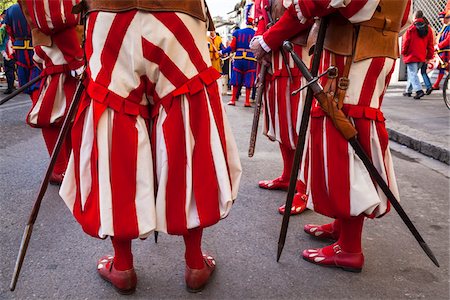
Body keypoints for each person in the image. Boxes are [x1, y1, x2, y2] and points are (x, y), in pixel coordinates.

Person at [34, 0, 241, 295]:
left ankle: (122, 265)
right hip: (178, 12)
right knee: (186, 127)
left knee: (113, 130)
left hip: (109, 14)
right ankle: (195, 263)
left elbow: (53, 11)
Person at [252, 0, 411, 272]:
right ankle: (342, 226)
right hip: (361, 45)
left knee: (345, 141)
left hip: (355, 49)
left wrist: (267, 41)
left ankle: (349, 248)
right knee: (341, 137)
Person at [253, 0, 311, 215]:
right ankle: (288, 176)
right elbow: (264, 19)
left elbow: (303, 13)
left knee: (299, 125)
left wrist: (267, 41)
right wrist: (260, 44)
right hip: (275, 58)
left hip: (298, 56)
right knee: (282, 122)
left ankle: (303, 188)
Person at [20, 0, 85, 185]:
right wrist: (75, 57)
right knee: (54, 112)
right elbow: (57, 18)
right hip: (62, 50)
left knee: (69, 112)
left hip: (59, 49)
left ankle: (68, 166)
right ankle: (60, 168)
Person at [221, 1, 256, 107]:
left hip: (239, 58)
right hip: (251, 60)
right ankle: (247, 101)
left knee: (236, 78)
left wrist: (222, 52)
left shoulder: (238, 32)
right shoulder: (256, 34)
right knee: (249, 80)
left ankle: (233, 100)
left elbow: (232, 47)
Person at [3, 4, 40, 98]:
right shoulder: (36, 6)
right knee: (37, 75)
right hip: (35, 45)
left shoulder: (11, 9)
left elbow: (9, 30)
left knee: (24, 75)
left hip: (19, 47)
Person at [401, 10, 434, 99]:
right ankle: (408, 90)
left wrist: (403, 52)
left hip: (411, 54)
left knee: (412, 73)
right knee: (413, 73)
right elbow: (430, 45)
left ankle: (419, 91)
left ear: (414, 17)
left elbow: (406, 42)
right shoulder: (428, 29)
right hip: (421, 55)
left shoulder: (411, 28)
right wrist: (429, 56)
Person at [432, 11, 450, 90]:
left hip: (447, 51)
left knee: (444, 67)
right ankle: (436, 84)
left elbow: (448, 40)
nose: (441, 21)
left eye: (443, 19)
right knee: (443, 67)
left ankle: (436, 84)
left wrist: (439, 46)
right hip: (442, 50)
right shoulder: (444, 27)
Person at [0, 11, 15, 95]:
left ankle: (10, 87)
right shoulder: (15, 22)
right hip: (17, 47)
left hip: (7, 49)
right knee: (14, 68)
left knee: (9, 68)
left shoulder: (4, 24)